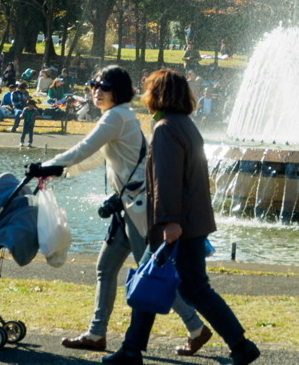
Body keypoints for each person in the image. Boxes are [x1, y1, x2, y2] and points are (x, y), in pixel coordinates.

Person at [28, 66, 211, 356]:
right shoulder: (119, 116)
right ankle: (96, 333)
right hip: (127, 208)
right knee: (106, 268)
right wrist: (53, 173)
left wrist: (48, 166)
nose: (96, 91)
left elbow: (83, 148)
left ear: (120, 91)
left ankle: (195, 327)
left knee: (149, 274)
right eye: (94, 85)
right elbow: (93, 158)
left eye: (104, 86)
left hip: (137, 210)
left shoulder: (117, 116)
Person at [103, 69, 259, 365]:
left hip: (177, 226)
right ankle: (132, 349)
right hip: (191, 223)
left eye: (148, 88)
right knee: (165, 283)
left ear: (157, 94)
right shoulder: (185, 124)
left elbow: (167, 180)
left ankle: (240, 345)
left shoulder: (164, 128)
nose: (144, 94)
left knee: (170, 283)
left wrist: (169, 221)